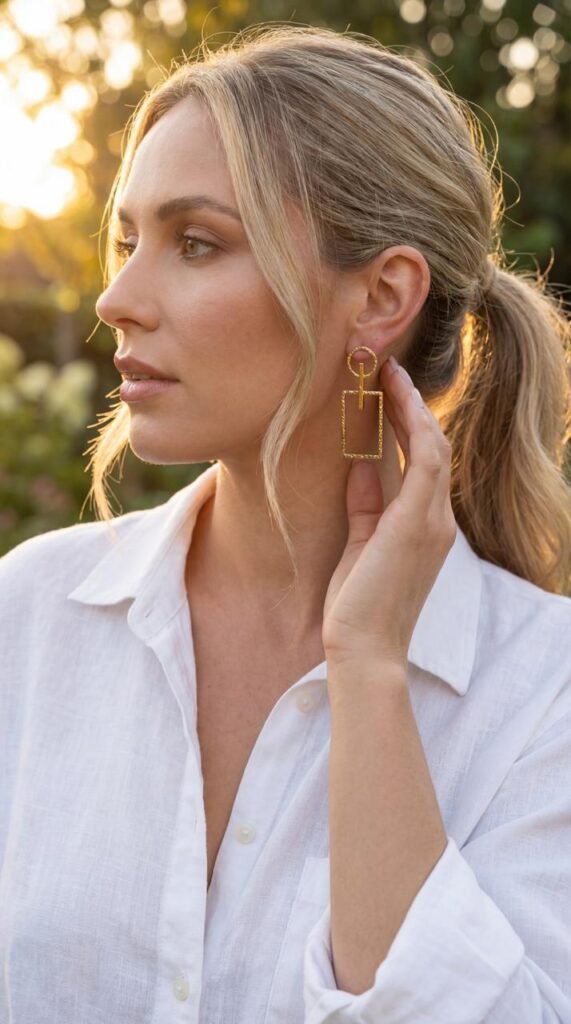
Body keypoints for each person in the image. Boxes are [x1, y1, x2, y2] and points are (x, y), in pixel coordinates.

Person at [1, 22, 570, 1024]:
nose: (116, 299)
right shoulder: (30, 614)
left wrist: (370, 670)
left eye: (196, 243)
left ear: (381, 296)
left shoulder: (544, 693)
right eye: (127, 241)